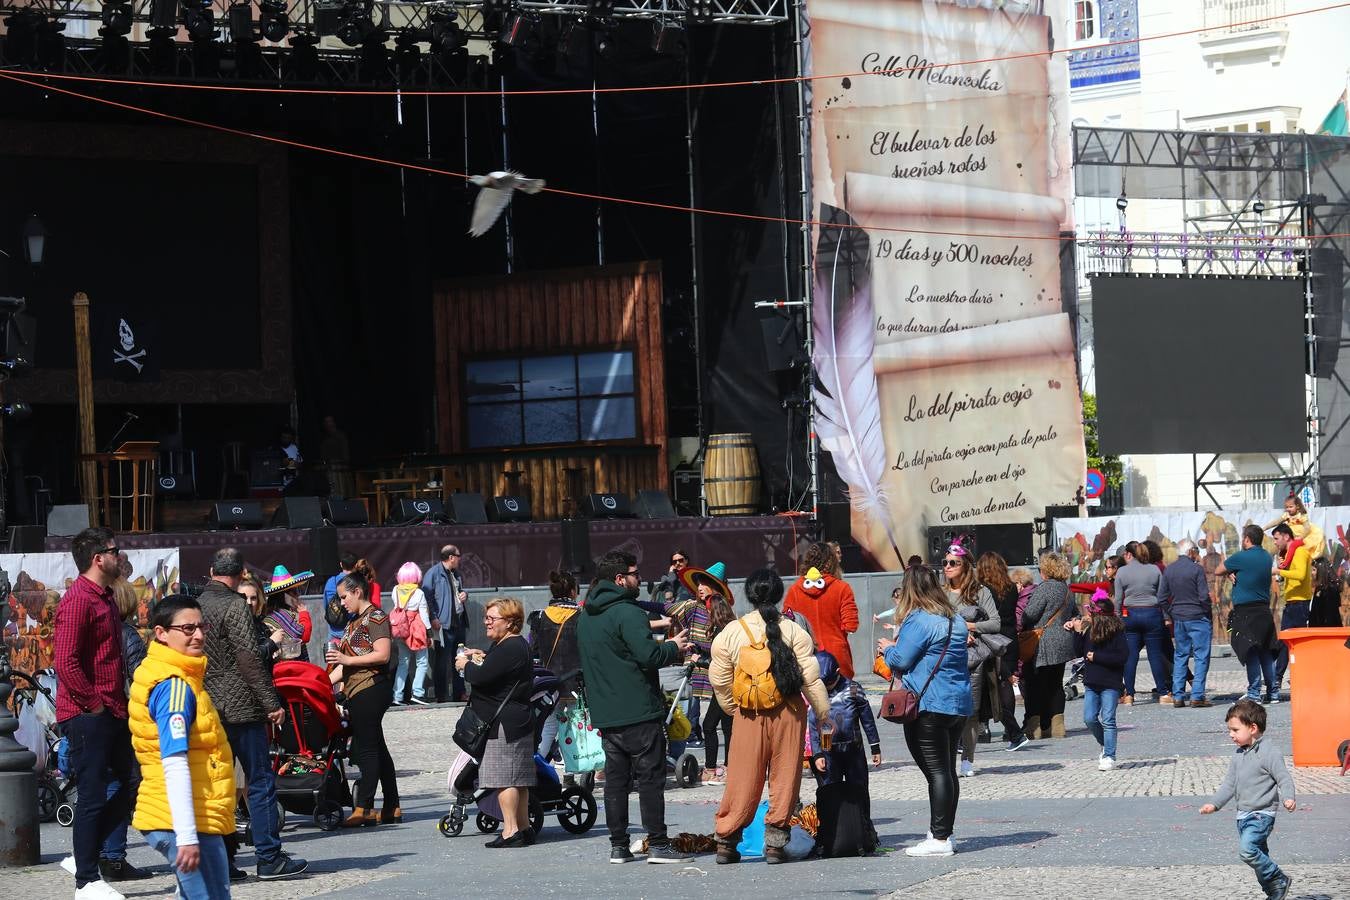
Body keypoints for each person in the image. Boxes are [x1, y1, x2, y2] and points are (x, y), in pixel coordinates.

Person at [576, 550, 693, 865]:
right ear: (619, 579)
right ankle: (658, 844)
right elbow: (649, 657)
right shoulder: (628, 613)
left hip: (606, 713)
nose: (640, 579)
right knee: (651, 779)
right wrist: (673, 647)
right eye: (635, 574)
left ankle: (618, 846)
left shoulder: (587, 615)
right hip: (639, 710)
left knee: (616, 781)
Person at [197, 548, 306, 880]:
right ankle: (268, 856)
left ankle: (222, 860)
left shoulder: (197, 604)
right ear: (241, 573)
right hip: (242, 706)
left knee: (218, 785)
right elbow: (248, 659)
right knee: (259, 781)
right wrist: (272, 703)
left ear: (212, 570)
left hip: (209, 705)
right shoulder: (234, 605)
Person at [709, 568, 829, 865]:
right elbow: (810, 679)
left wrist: (731, 708)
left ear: (749, 596)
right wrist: (824, 715)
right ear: (779, 596)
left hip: (748, 713)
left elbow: (720, 679)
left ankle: (726, 841)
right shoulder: (794, 631)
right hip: (789, 712)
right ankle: (775, 844)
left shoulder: (732, 632)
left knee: (741, 779)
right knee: (785, 777)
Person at [128, 595, 236, 900]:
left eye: (201, 626)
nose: (199, 635)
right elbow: (173, 761)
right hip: (183, 820)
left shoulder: (180, 678)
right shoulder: (174, 686)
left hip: (188, 816)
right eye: (188, 629)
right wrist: (187, 836)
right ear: (161, 633)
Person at [54, 527, 136, 899]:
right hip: (89, 712)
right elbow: (66, 662)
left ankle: (82, 854)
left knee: (133, 781)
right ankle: (86, 881)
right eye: (115, 550)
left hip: (111, 708)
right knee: (92, 794)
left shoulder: (103, 597)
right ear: (98, 558)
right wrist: (95, 704)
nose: (120, 556)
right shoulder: (78, 600)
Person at [878, 565, 970, 857]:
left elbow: (902, 660)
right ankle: (942, 831)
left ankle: (940, 839)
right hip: (958, 702)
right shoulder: (956, 619)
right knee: (947, 771)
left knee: (937, 772)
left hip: (928, 703)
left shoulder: (918, 619)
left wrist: (887, 649)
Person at [1200, 698, 1297, 900]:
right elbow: (1229, 784)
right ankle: (1274, 891)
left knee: (1247, 851)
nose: (1230, 735)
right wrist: (1214, 803)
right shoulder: (1238, 755)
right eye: (1230, 730)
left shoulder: (1269, 752)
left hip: (1261, 814)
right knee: (1259, 856)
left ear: (1252, 728)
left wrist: (1288, 797)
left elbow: (1284, 778)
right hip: (1242, 816)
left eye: (1235, 730)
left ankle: (1277, 878)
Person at [457, 598, 535, 847]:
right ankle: (523, 827)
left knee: (505, 779)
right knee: (517, 780)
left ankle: (510, 830)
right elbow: (497, 671)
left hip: (504, 724)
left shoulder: (509, 647)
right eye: (486, 618)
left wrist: (465, 666)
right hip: (516, 720)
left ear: (510, 623)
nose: (487, 623)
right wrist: (482, 657)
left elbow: (482, 677)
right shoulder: (512, 645)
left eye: (492, 619)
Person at [326, 571, 400, 827]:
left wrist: (347, 661)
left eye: (344, 597)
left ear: (358, 591)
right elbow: (344, 665)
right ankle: (392, 805)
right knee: (378, 747)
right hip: (357, 688)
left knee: (366, 747)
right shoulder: (354, 621)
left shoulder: (376, 617)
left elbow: (382, 654)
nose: (342, 602)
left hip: (370, 688)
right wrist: (323, 682)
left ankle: (364, 807)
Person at [672, 562, 737, 784]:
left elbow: (725, 660)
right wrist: (699, 650)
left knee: (712, 725)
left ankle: (715, 768)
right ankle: (724, 766)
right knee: (725, 726)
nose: (699, 588)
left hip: (726, 683)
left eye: (704, 584)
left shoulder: (725, 626)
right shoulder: (722, 621)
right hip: (724, 682)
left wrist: (703, 659)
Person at [940, 542, 999, 776]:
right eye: (944, 563)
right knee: (946, 709)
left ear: (965, 566)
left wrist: (970, 627)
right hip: (944, 657)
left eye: (953, 563)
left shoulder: (980, 592)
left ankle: (968, 759)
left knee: (970, 711)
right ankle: (947, 757)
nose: (947, 567)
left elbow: (995, 622)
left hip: (971, 659)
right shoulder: (940, 593)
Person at [1217, 525, 1281, 704]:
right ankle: (1273, 692)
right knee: (1266, 652)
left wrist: (1230, 572)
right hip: (1263, 610)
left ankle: (1254, 692)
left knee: (1251, 651)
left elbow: (1218, 570)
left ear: (1247, 539)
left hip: (1246, 612)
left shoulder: (1241, 557)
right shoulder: (1267, 557)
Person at [1066, 591, 1128, 770]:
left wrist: (1098, 657)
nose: (1087, 616)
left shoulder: (1116, 633)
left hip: (1111, 682)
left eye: (1091, 613)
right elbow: (1080, 653)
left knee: (1108, 719)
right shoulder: (1089, 631)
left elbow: (1122, 657)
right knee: (1089, 719)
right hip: (1092, 681)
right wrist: (1077, 633)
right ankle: (1105, 744)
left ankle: (1109, 755)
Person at [806, 650, 881, 796]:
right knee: (830, 789)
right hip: (827, 744)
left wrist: (875, 746)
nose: (827, 688)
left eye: (829, 683)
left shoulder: (853, 688)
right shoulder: (816, 692)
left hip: (853, 745)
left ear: (838, 672)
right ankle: (834, 818)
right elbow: (813, 724)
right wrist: (817, 754)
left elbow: (867, 719)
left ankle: (862, 818)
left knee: (859, 787)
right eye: (823, 685)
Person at [1020, 552, 1077, 739]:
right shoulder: (1067, 590)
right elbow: (1074, 613)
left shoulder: (1044, 589)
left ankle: (1035, 728)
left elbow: (1029, 615)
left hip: (1043, 642)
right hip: (1063, 641)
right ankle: (1057, 727)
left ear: (1046, 570)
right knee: (1055, 684)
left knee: (1036, 685)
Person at [527, 571, 582, 762]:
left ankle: (538, 765)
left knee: (549, 725)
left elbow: (533, 651)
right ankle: (576, 767)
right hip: (578, 683)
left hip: (549, 682)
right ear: (574, 592)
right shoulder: (582, 617)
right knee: (579, 725)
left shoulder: (539, 617)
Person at [783, 542, 859, 677]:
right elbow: (851, 625)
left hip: (806, 658)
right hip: (837, 658)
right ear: (831, 562)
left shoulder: (794, 590)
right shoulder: (842, 588)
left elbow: (786, 624)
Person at [1158, 539, 1214, 708]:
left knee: (1181, 656)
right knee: (1201, 656)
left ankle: (1178, 696)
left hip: (1180, 618)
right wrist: (1207, 612)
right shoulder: (1197, 569)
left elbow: (1161, 597)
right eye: (1196, 551)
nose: (1197, 554)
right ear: (1190, 552)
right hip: (1198, 617)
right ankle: (1197, 695)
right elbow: (1204, 596)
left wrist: (1171, 612)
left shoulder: (1169, 570)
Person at [978, 552, 1025, 751]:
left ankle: (984, 728)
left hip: (992, 639)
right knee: (1006, 683)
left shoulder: (984, 590)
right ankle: (1009, 732)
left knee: (985, 683)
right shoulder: (1011, 587)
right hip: (1011, 639)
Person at [1114, 542, 1169, 706]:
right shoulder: (1154, 569)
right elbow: (1162, 597)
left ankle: (1129, 695)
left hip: (1130, 613)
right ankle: (1163, 693)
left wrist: (1118, 617)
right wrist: (1165, 616)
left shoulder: (1122, 571)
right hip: (1152, 612)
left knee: (1131, 656)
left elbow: (1118, 599)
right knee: (1155, 655)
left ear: (1130, 554)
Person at [423, 544, 470, 703]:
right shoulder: (433, 573)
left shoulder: (456, 573)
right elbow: (427, 597)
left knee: (460, 658)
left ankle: (460, 692)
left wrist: (465, 595)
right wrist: (433, 618)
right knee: (442, 662)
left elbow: (458, 592)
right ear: (451, 557)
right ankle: (440, 695)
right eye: (458, 556)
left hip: (459, 623)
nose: (459, 559)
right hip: (444, 625)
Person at [1272, 522, 1311, 696]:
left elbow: (1301, 575)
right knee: (1284, 642)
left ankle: (1299, 677)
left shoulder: (1300, 552)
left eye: (1276, 538)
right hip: (1292, 603)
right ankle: (1277, 678)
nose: (1274, 542)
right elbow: (1290, 577)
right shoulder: (1288, 554)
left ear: (1286, 536)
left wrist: (1279, 572)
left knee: (1299, 644)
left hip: (1300, 604)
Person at [389, 562, 432, 706]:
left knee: (403, 663)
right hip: (416, 630)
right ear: (416, 576)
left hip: (400, 630)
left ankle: (397, 696)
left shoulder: (395, 590)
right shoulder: (419, 593)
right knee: (422, 662)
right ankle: (418, 693)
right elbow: (424, 615)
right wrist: (430, 633)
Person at [262, 566, 314, 663]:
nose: (297, 596)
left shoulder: (270, 614)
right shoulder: (282, 615)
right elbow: (304, 637)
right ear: (285, 596)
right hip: (291, 665)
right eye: (294, 592)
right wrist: (304, 613)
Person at [1264, 492, 1324, 567]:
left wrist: (1301, 537)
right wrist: (1265, 528)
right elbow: (1276, 522)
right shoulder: (1286, 515)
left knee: (1292, 546)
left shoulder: (1301, 516)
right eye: (1287, 507)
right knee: (1281, 548)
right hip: (1292, 536)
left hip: (1301, 537)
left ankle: (1286, 563)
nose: (1288, 509)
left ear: (1297, 506)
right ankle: (1282, 563)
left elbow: (1307, 528)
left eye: (1290, 507)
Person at [323, 553, 358, 638]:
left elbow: (326, 605)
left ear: (341, 564)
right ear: (356, 565)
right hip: (352, 629)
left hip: (333, 630)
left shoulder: (331, 581)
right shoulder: (357, 582)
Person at [1307, 556, 1343, 627]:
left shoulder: (1330, 590)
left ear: (1321, 571)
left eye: (1314, 570)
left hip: (1327, 633)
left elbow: (1330, 616)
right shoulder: (1320, 588)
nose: (1312, 573)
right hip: (1319, 632)